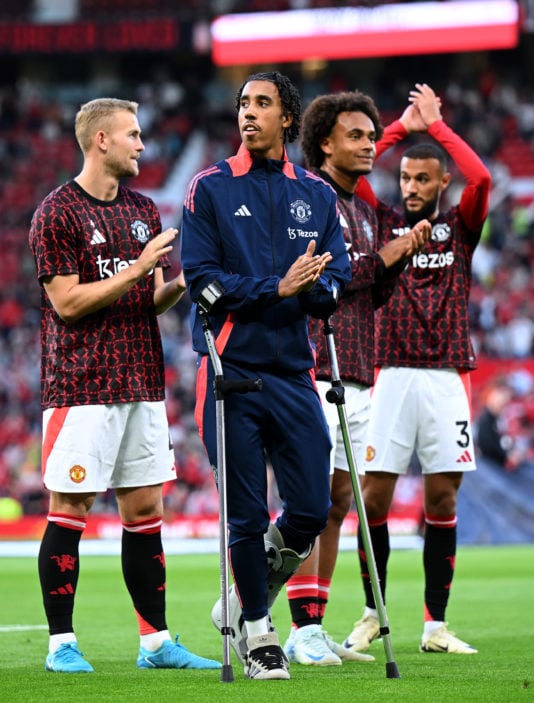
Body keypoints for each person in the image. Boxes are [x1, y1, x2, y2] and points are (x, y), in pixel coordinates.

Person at [28, 97, 219, 674]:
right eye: (133, 135)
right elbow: (65, 303)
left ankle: (156, 643)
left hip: (141, 380)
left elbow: (151, 297)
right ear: (101, 141)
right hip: (80, 384)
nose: (142, 144)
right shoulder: (56, 212)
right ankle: (61, 644)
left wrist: (186, 281)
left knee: (144, 509)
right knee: (71, 509)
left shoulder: (141, 209)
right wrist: (137, 269)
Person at [180, 71, 352, 680]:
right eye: (242, 104)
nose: (248, 113)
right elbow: (200, 280)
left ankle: (245, 595)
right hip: (230, 371)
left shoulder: (318, 194)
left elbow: (338, 277)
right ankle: (258, 632)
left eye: (262, 103)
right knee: (247, 515)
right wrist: (275, 288)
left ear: (288, 117)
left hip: (294, 372)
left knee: (311, 505)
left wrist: (316, 294)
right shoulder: (209, 189)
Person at [281, 90, 431, 667]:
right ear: (324, 143)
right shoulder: (307, 200)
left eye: (374, 137)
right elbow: (328, 279)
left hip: (362, 368)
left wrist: (397, 260)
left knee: (340, 501)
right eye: (356, 136)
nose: (370, 145)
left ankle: (308, 624)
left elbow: (371, 292)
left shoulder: (366, 210)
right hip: (316, 362)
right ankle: (277, 614)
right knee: (309, 500)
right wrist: (388, 257)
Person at [342, 83, 492, 656]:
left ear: (440, 182)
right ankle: (372, 614)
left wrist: (439, 128)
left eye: (422, 179)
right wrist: (401, 128)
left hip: (448, 375)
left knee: (442, 503)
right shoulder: (381, 223)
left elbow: (482, 180)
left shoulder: (460, 227)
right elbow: (353, 174)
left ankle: (435, 626)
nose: (410, 187)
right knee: (373, 501)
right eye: (405, 178)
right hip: (391, 374)